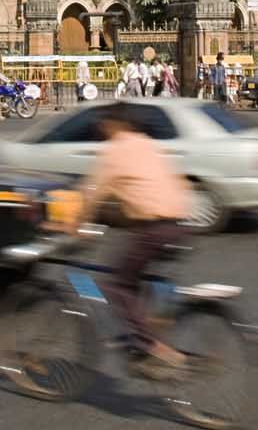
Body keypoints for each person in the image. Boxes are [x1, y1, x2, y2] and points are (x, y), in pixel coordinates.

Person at [76, 104, 192, 371]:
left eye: (103, 124)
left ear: (114, 124)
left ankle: (151, 345)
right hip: (180, 224)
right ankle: (149, 328)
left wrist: (73, 225)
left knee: (117, 285)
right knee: (137, 277)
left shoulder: (115, 151)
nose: (100, 128)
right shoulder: (146, 143)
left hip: (154, 229)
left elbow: (91, 194)